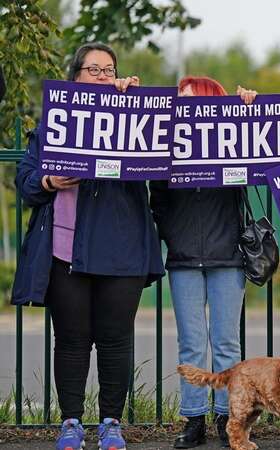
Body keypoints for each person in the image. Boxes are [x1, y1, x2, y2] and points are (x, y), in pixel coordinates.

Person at [11, 43, 164, 450]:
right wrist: (49, 181)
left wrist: (137, 108)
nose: (101, 76)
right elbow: (25, 181)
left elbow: (168, 158)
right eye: (93, 69)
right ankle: (71, 422)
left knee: (116, 340)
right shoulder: (53, 124)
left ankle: (111, 423)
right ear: (75, 76)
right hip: (65, 252)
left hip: (122, 251)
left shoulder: (136, 116)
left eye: (108, 69)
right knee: (72, 340)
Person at [149, 76, 257, 449]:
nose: (183, 105)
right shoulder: (166, 146)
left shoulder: (233, 141)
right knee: (191, 344)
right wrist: (172, 234)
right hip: (183, 259)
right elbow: (157, 198)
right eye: (180, 99)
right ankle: (193, 419)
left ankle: (231, 419)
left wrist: (246, 112)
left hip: (227, 256)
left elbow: (263, 159)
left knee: (227, 344)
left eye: (190, 99)